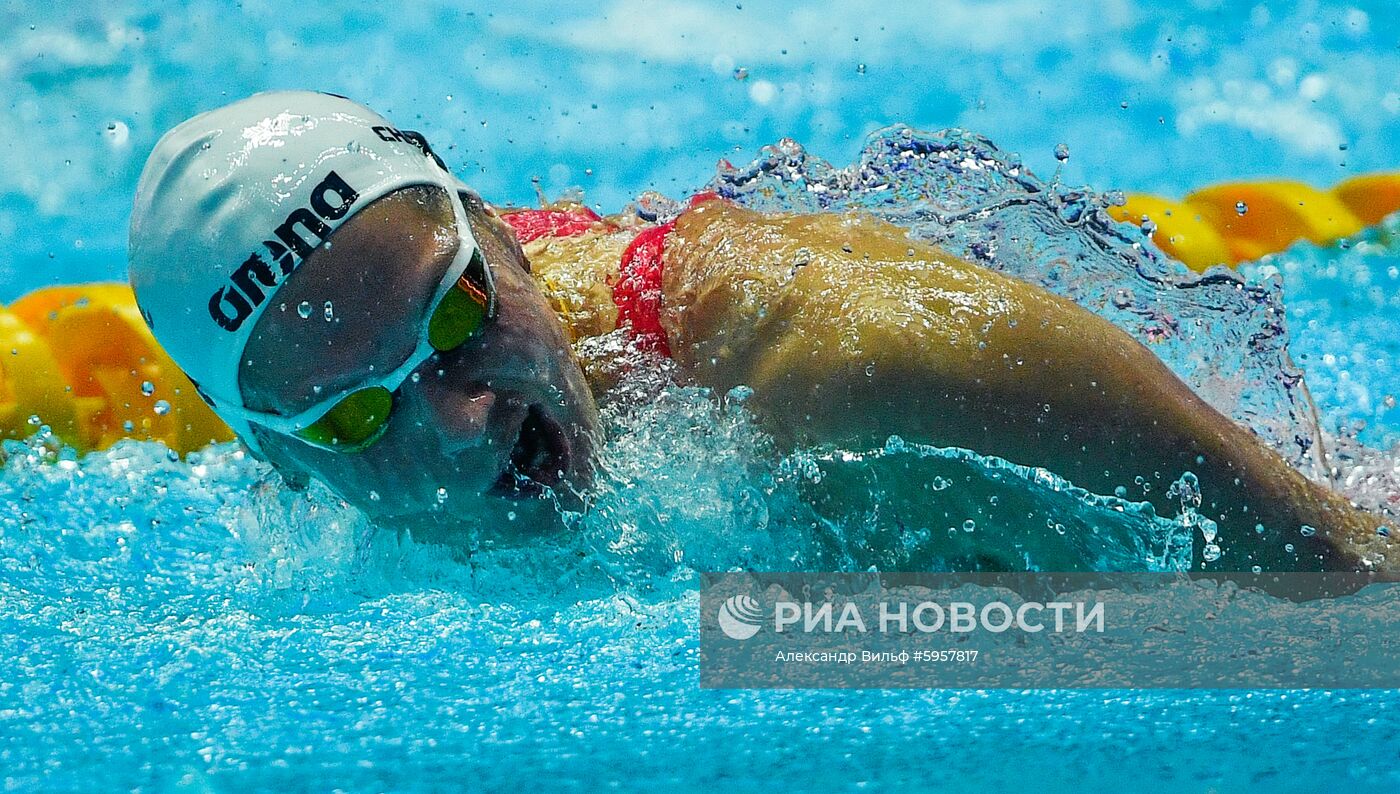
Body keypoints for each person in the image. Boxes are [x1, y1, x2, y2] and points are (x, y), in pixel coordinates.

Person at [128, 91, 1393, 571]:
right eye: (358, 414)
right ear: (282, 465)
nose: (464, 422)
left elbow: (1345, 570)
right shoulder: (273, 394)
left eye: (457, 311)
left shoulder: (853, 363)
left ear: (503, 234)